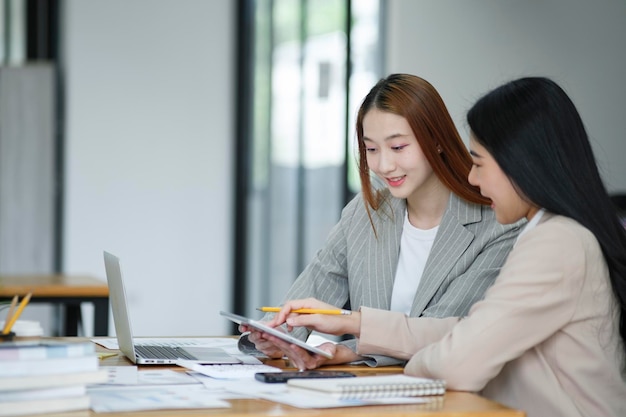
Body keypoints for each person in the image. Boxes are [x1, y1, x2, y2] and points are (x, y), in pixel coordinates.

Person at [266, 77, 626, 417]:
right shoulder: (553, 233)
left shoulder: (556, 242)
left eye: (480, 162)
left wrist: (378, 353)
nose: (472, 177)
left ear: (523, 164)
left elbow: (458, 357)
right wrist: (351, 325)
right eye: (371, 149)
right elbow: (460, 331)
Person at [239, 73, 522, 367]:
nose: (384, 166)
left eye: (398, 147)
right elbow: (315, 286)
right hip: (370, 393)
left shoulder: (498, 226)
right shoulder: (365, 213)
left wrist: (350, 347)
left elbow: (444, 333)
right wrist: (275, 334)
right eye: (371, 149)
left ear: (437, 140)